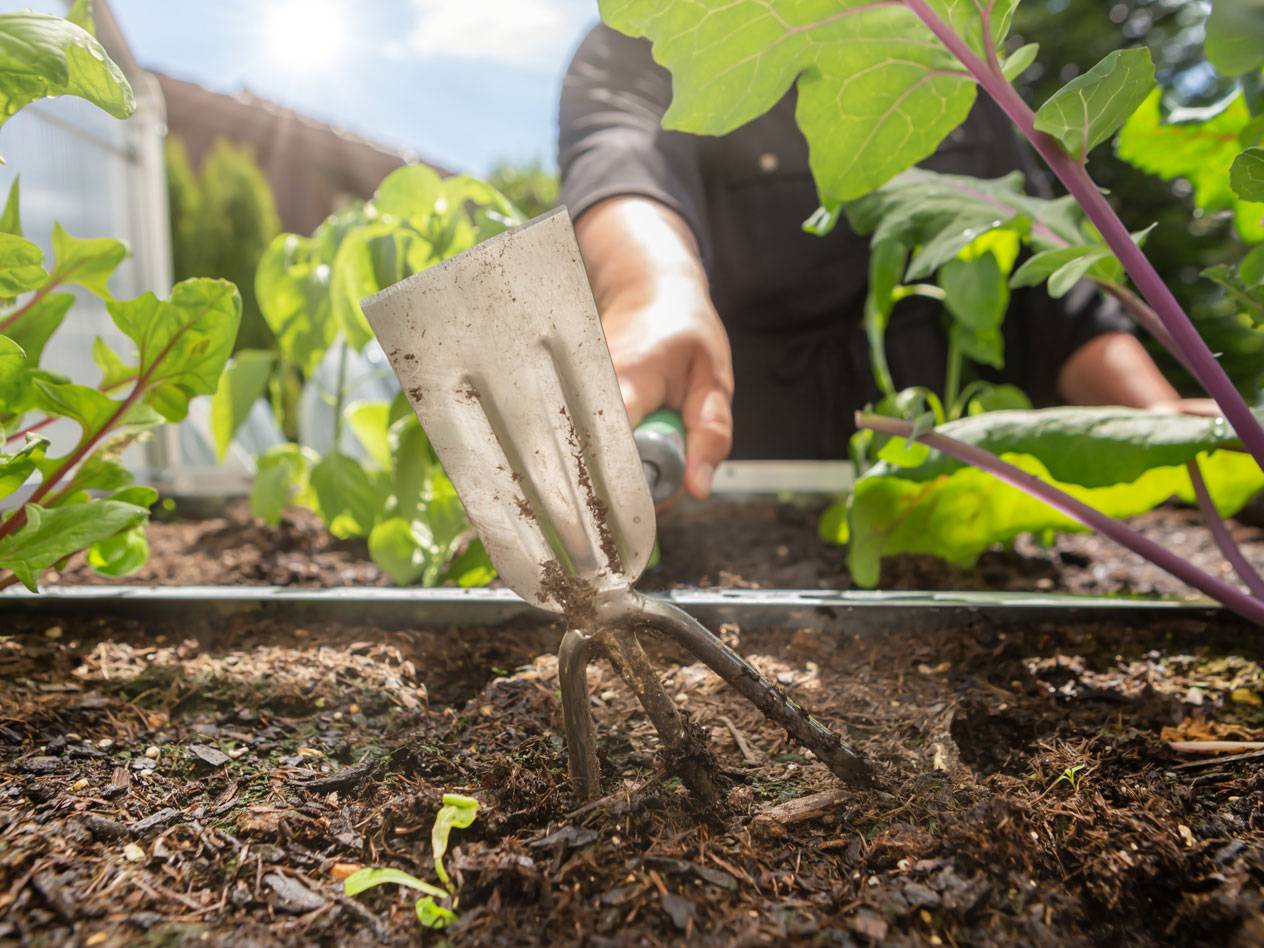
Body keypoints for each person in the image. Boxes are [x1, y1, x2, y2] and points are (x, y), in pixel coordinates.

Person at [557, 24, 1197, 500]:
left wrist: (1163, 427)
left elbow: (1057, 299)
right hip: (732, 492)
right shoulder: (658, 36)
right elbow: (623, 162)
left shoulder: (956, 55)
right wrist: (652, 291)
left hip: (950, 508)